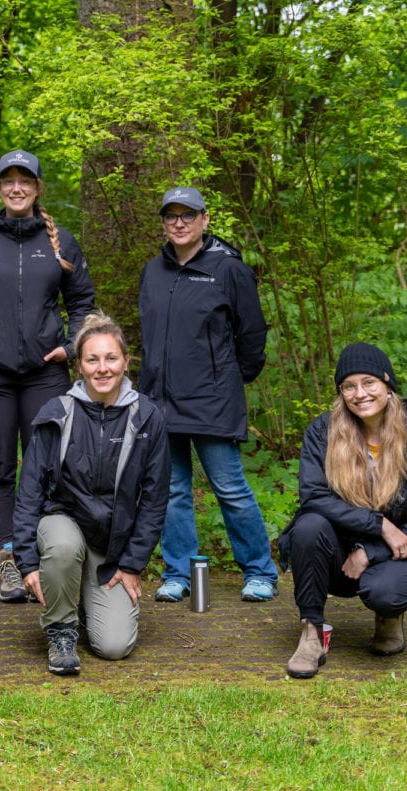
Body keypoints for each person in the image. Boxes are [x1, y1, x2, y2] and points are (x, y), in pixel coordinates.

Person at [0, 149, 95, 603]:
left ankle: (46, 558)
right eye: (7, 180)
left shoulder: (62, 242)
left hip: (47, 375)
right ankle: (7, 559)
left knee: (49, 467)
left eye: (24, 180)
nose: (16, 187)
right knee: (0, 469)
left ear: (38, 188)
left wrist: (72, 344)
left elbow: (82, 299)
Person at [138, 186, 278, 604]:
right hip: (160, 401)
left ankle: (260, 572)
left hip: (212, 402)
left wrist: (229, 380)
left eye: (188, 215)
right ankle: (177, 574)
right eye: (171, 216)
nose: (179, 223)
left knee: (229, 487)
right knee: (170, 490)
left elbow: (252, 336)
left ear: (205, 219)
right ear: (163, 223)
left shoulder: (229, 269)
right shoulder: (153, 271)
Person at [12, 313, 169, 675]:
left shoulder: (147, 417)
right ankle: (61, 630)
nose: (102, 368)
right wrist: (27, 561)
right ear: (79, 366)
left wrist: (132, 564)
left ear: (126, 362)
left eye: (111, 358)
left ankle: (82, 595)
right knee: (64, 546)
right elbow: (30, 491)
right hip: (63, 526)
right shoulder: (57, 413)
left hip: (112, 545)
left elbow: (156, 499)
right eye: (92, 359)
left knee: (114, 647)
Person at [280, 343, 407, 679]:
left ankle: (389, 616)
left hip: (395, 556)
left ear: (388, 385)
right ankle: (311, 632)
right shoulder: (323, 432)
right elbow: (313, 496)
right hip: (336, 553)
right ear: (341, 393)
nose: (360, 393)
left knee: (385, 593)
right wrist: (380, 525)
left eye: (369, 382)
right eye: (349, 386)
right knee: (308, 526)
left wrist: (371, 550)